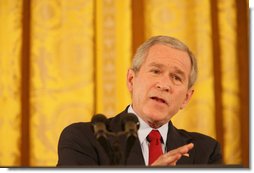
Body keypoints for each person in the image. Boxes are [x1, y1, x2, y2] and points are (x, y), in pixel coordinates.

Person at [57, 35, 222, 166]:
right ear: (131, 80)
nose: (164, 85)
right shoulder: (84, 139)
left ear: (186, 98)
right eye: (156, 71)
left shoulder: (205, 152)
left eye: (176, 77)